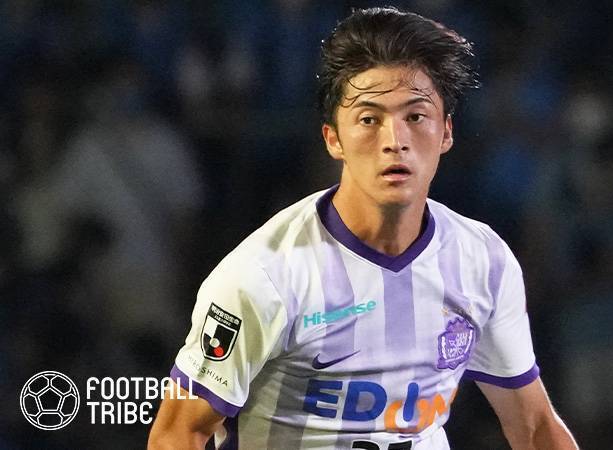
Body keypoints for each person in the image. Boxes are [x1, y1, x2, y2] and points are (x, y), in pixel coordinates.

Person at [148, 7, 577, 449]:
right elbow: (177, 434)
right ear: (333, 138)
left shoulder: (484, 260)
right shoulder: (263, 276)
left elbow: (534, 427)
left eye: (415, 117)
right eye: (369, 119)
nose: (395, 141)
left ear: (447, 132)